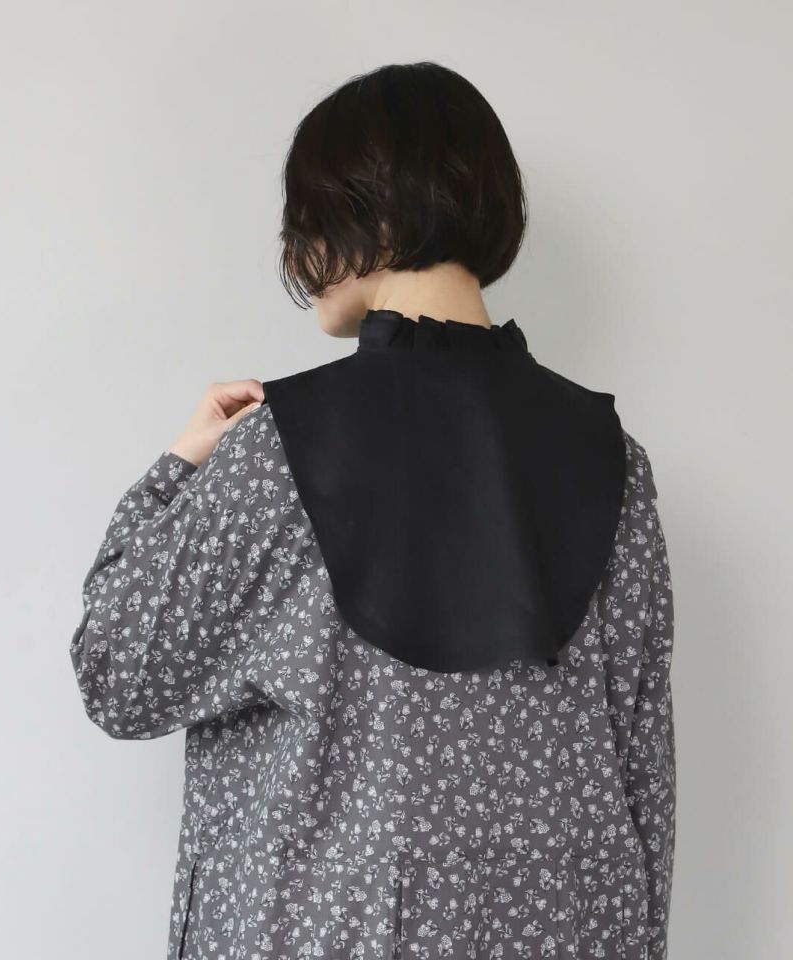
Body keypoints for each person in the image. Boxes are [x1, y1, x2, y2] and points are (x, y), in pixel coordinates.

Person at [69, 61, 676, 960]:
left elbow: (119, 673)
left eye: (308, 218)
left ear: (373, 213)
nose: (298, 253)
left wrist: (177, 469)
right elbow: (642, 782)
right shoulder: (616, 461)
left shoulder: (278, 451)